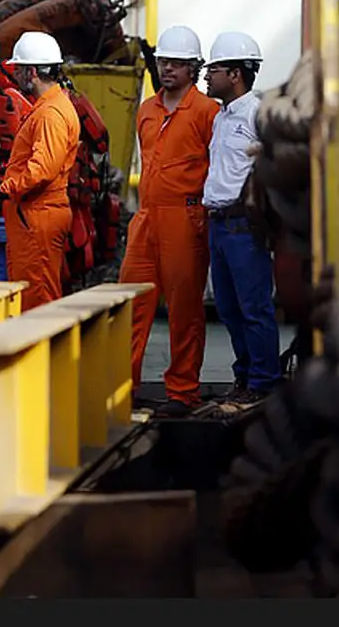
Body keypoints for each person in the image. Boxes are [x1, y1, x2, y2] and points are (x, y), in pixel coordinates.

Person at [119, 25, 220, 418]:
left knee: (184, 309)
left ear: (194, 68)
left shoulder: (207, 112)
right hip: (147, 218)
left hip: (185, 216)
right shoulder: (147, 110)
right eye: (163, 62)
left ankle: (182, 391)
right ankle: (121, 388)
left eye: (177, 63)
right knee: (131, 304)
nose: (168, 69)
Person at [0, 32, 80, 312]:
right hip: (31, 217)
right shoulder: (49, 108)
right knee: (31, 295)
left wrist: (2, 191)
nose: (15, 75)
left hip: (37, 218)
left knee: (38, 300)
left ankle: (45, 356)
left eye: (19, 69)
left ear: (32, 72)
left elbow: (41, 170)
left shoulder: (51, 114)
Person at [202, 31, 281, 405]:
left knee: (254, 309)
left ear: (235, 74)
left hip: (243, 227)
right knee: (231, 311)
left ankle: (263, 383)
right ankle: (246, 376)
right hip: (218, 226)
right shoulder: (221, 118)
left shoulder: (256, 115)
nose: (206, 75)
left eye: (213, 69)